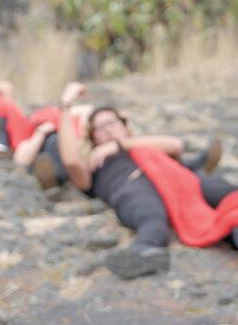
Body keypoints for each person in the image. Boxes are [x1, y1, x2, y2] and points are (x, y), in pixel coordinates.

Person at [57, 82, 223, 279]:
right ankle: (143, 253)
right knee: (151, 219)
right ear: (92, 137)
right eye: (99, 128)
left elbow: (175, 145)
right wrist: (66, 104)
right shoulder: (94, 164)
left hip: (175, 179)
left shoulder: (142, 145)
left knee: (222, 192)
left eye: (112, 122)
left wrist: (119, 145)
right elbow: (71, 161)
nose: (108, 129)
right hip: (132, 187)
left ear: (125, 126)